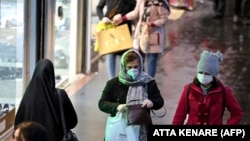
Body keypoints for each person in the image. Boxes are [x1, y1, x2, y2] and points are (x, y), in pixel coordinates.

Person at [98, 49, 164, 140]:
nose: (133, 70)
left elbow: (159, 101)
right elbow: (102, 103)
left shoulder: (148, 82)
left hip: (143, 129)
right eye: (129, 67)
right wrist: (117, 107)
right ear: (123, 67)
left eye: (136, 67)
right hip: (120, 130)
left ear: (140, 66)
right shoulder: (113, 84)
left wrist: (152, 102)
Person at [172, 50, 243, 125]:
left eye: (207, 73)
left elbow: (237, 113)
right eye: (200, 73)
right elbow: (179, 116)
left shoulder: (224, 91)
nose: (203, 76)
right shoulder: (188, 90)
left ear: (213, 75)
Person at [14, 59, 78, 141]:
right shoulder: (60, 95)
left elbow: (18, 125)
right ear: (51, 75)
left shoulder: (27, 99)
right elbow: (73, 122)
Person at [112, 0, 170, 77]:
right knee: (139, 60)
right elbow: (135, 13)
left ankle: (149, 82)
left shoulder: (160, 2)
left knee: (151, 60)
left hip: (154, 35)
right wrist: (123, 18)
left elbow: (164, 19)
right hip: (141, 34)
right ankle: (142, 80)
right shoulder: (141, 1)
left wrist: (153, 23)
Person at [96, 0, 136, 79]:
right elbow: (98, 7)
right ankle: (112, 81)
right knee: (111, 54)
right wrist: (103, 18)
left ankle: (124, 80)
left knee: (124, 56)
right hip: (110, 27)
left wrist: (122, 16)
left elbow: (135, 10)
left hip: (124, 28)